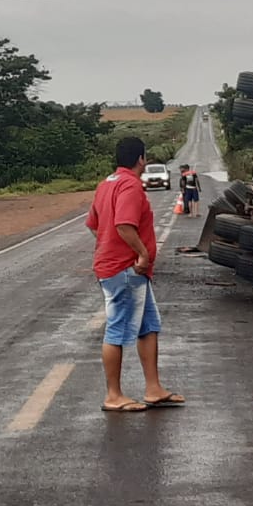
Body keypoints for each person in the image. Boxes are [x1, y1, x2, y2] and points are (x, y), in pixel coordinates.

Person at [85, 136, 184, 413]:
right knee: (117, 328)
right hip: (125, 270)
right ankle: (113, 395)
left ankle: (154, 389)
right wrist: (141, 253)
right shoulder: (130, 186)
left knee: (148, 325)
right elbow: (124, 225)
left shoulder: (107, 184)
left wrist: (108, 243)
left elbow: (93, 224)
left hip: (123, 268)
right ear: (142, 159)